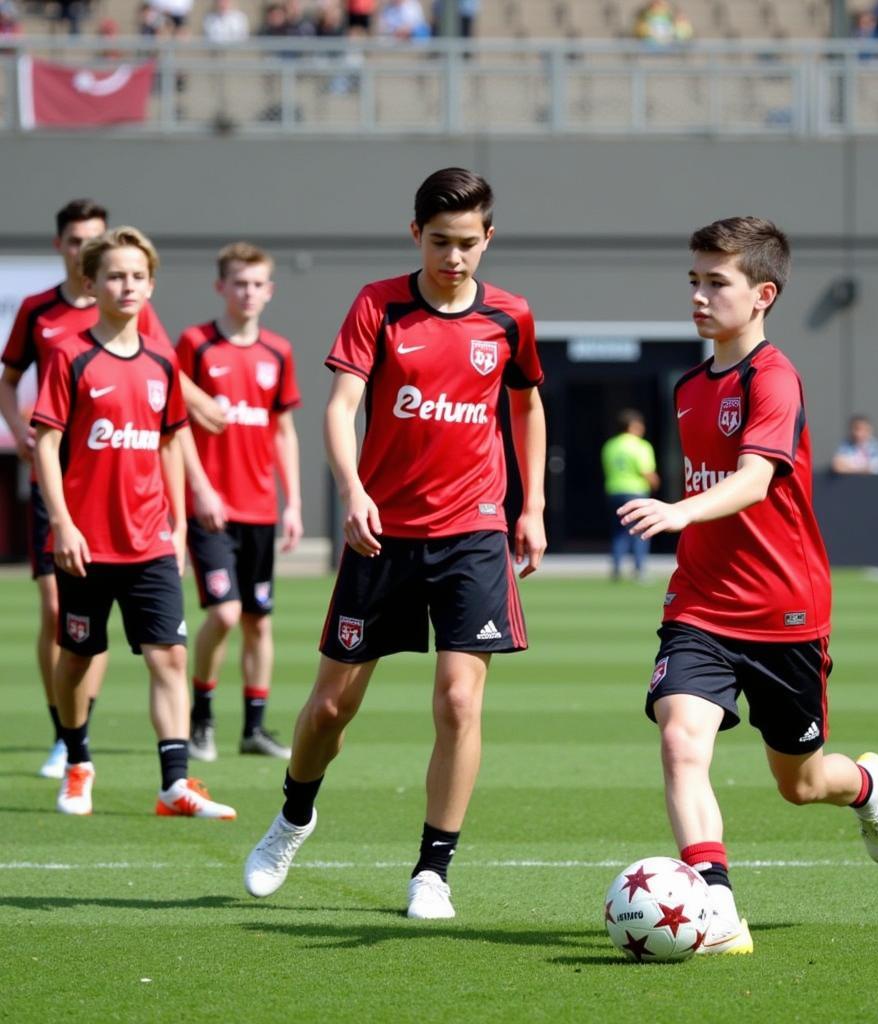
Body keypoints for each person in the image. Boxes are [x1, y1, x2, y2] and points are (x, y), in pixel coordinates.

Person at [244, 167, 546, 919]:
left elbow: (527, 406)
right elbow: (341, 405)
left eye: (468, 244)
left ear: (489, 239)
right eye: (440, 242)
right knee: (326, 713)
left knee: (457, 702)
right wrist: (353, 490)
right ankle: (293, 816)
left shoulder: (510, 318)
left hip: (473, 532)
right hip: (383, 537)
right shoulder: (377, 306)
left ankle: (432, 872)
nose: (454, 258)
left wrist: (530, 504)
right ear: (416, 234)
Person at [618, 217, 878, 956]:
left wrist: (679, 509)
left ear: (763, 294)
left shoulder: (773, 377)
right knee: (682, 742)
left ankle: (868, 787)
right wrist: (686, 523)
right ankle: (716, 908)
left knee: (801, 784)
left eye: (718, 282)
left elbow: (752, 479)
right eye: (694, 281)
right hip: (700, 607)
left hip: (785, 612)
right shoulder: (687, 386)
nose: (701, 295)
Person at [0, 198, 225, 781]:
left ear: (150, 284)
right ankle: (72, 747)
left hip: (146, 529)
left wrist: (179, 518)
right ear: (83, 270)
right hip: (77, 515)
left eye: (137, 276)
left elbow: (171, 424)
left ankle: (173, 781)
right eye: (114, 274)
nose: (127, 285)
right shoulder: (54, 335)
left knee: (167, 654)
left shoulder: (154, 350)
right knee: (70, 636)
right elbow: (26, 404)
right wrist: (33, 454)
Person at [177, 242, 302, 763]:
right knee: (225, 614)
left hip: (260, 510)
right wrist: (199, 487)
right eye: (239, 283)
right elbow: (174, 419)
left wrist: (293, 503)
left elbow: (284, 431)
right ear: (220, 287)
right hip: (211, 510)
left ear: (269, 291)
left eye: (257, 284)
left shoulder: (278, 351)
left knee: (258, 620)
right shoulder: (196, 345)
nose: (248, 292)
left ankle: (253, 729)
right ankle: (200, 717)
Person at [601, 409, 659, 581]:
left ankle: (617, 568)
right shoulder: (640, 445)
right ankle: (640, 569)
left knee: (619, 531)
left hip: (614, 491)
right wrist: (656, 484)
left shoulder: (610, 445)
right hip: (635, 492)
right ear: (632, 426)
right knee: (641, 531)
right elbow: (646, 471)